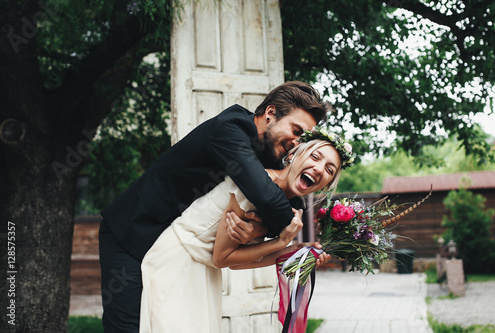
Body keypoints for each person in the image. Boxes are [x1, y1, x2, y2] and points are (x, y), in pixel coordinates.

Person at [99, 81, 328, 332]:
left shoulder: (267, 152)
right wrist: (282, 228)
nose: (297, 142)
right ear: (270, 113)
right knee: (128, 327)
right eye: (296, 130)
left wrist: (264, 229)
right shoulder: (229, 130)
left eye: (303, 138)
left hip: (186, 256)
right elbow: (265, 194)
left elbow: (286, 197)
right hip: (132, 231)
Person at [139, 131, 353, 332]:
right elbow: (223, 258)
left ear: (326, 185)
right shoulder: (257, 185)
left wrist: (297, 249)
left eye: (329, 170)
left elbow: (237, 262)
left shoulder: (282, 208)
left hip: (205, 269)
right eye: (315, 157)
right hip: (178, 260)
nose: (318, 169)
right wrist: (280, 242)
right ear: (293, 154)